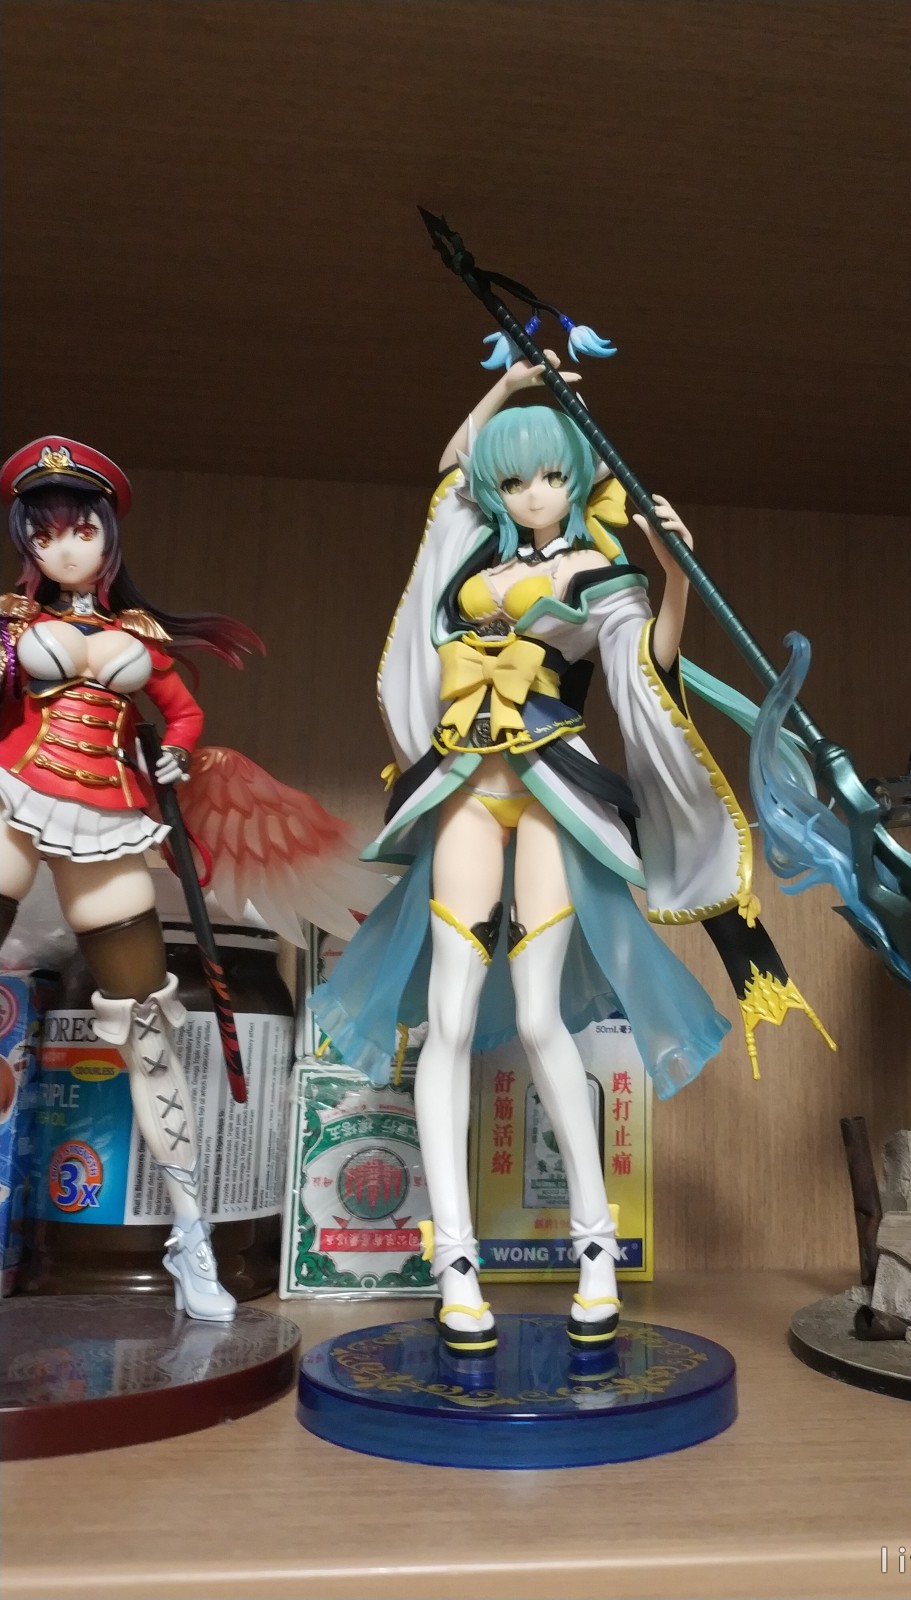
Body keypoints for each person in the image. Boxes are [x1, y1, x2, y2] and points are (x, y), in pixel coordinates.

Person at [313, 355, 827, 1353]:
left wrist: (673, 573)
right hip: (466, 784)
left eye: (551, 475)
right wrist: (510, 384)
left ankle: (596, 1248)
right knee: (448, 1016)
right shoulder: (473, 562)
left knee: (542, 1014)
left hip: (552, 783)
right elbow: (451, 470)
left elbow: (649, 664)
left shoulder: (593, 571)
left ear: (577, 478)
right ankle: (455, 1263)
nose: (534, 493)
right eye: (515, 480)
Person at [0, 436, 376, 1320]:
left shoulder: (137, 635)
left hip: (107, 820)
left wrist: (173, 754)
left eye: (80, 529)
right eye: (45, 534)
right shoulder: (12, 625)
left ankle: (192, 1237)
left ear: (107, 536)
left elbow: (182, 709)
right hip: (14, 796)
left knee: (147, 1026)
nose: (64, 548)